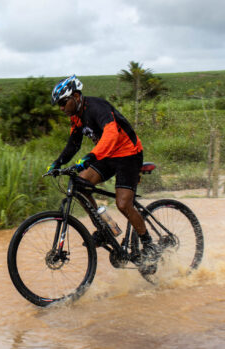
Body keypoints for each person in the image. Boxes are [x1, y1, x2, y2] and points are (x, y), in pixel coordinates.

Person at [47, 75, 158, 263]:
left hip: (128, 154)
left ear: (75, 96)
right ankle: (106, 228)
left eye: (63, 102)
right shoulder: (77, 117)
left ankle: (148, 244)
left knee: (123, 204)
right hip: (107, 156)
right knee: (81, 185)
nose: (62, 108)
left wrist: (90, 157)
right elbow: (74, 143)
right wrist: (58, 163)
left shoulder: (97, 107)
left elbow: (111, 134)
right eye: (59, 105)